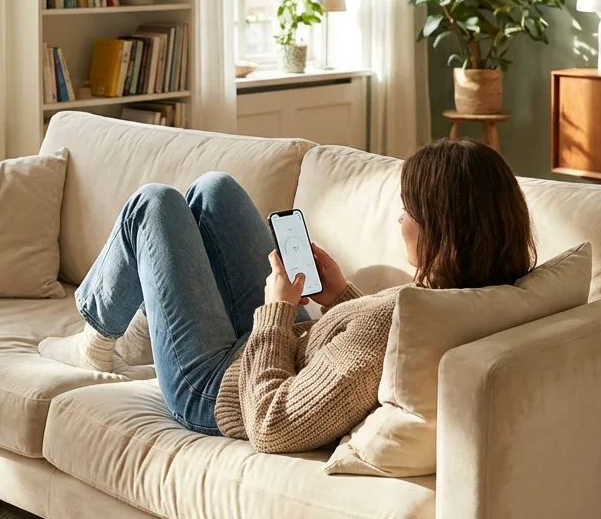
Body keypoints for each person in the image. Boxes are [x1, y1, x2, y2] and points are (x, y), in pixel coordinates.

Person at [37, 138, 536, 454]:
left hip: (218, 390)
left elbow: (274, 425)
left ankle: (98, 342)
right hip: (275, 346)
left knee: (153, 204)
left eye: (407, 210)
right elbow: (375, 344)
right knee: (214, 190)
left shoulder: (395, 321)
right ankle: (152, 326)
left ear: (440, 229)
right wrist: (340, 294)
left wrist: (276, 309)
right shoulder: (475, 287)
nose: (398, 220)